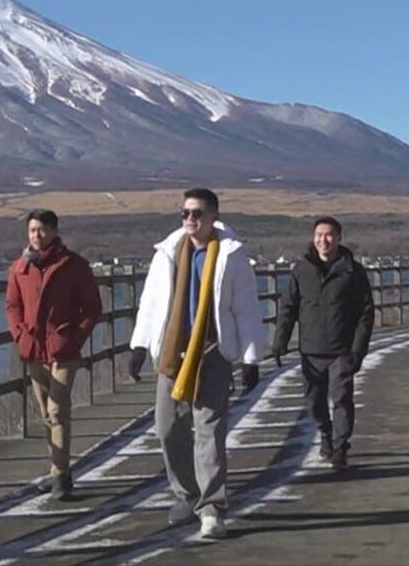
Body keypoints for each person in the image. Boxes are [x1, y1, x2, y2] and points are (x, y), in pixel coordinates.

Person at [129, 188, 264, 539]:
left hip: (212, 352)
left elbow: (246, 306)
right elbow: (152, 302)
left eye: (197, 213)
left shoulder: (231, 255)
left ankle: (211, 507)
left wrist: (251, 357)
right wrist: (139, 345)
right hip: (172, 353)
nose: (190, 219)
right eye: (185, 213)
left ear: (213, 216)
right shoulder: (169, 251)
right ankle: (185, 494)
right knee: (168, 428)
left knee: (210, 432)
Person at [5, 209, 102, 500]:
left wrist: (75, 339)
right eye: (33, 230)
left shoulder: (73, 265)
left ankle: (60, 477)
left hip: (63, 350)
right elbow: (12, 306)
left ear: (54, 232)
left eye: (43, 230)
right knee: (47, 412)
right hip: (33, 350)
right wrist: (20, 335)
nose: (37, 235)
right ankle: (56, 468)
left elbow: (92, 307)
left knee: (58, 410)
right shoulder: (19, 267)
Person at [273, 216, 374, 471]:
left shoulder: (353, 271)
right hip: (310, 350)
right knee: (314, 402)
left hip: (342, 351)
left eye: (329, 235)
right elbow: (288, 308)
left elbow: (366, 313)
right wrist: (280, 341)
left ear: (339, 238)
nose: (323, 240)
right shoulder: (301, 269)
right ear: (313, 238)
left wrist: (357, 351)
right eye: (319, 234)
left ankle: (340, 448)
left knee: (341, 399)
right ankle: (326, 434)